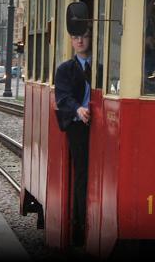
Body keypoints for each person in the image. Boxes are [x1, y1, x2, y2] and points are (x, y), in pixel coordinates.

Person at [54, 31, 92, 246]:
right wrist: (78, 109)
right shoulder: (65, 69)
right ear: (71, 40)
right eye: (76, 37)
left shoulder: (102, 66)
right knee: (82, 173)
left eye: (84, 36)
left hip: (100, 124)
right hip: (78, 127)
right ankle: (79, 224)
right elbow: (63, 97)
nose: (80, 40)